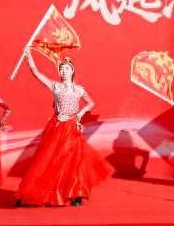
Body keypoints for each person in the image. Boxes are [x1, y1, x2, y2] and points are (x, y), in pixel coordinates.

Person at [16, 54, 110, 207]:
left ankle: (77, 194)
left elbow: (91, 103)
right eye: (61, 69)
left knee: (74, 160)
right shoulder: (55, 86)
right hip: (58, 125)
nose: (64, 71)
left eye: (67, 68)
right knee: (50, 158)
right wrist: (29, 56)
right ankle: (32, 193)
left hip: (72, 126)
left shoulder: (79, 89)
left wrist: (80, 113)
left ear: (72, 71)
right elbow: (36, 73)